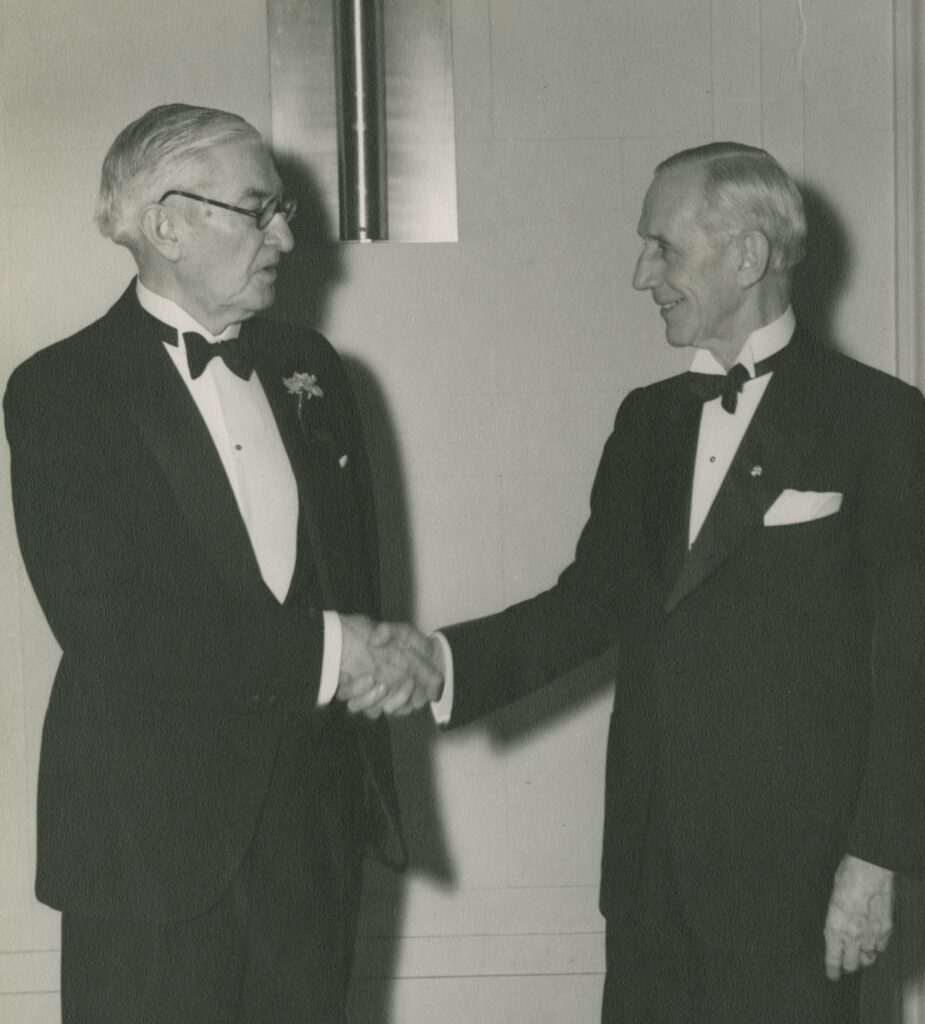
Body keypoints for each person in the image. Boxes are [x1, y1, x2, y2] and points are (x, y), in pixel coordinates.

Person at [344, 143, 925, 1023]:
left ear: (747, 256)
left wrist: (877, 859)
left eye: (663, 247)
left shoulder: (879, 420)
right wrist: (438, 661)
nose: (638, 273)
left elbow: (913, 660)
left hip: (798, 879)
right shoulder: (646, 424)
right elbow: (590, 603)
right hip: (649, 874)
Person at [3, 103, 441, 1024]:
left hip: (311, 846)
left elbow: (346, 585)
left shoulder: (311, 368)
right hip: (147, 850)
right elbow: (108, 625)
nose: (285, 234)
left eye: (281, 209)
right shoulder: (58, 389)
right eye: (258, 209)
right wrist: (334, 653)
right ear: (168, 222)